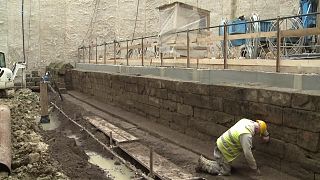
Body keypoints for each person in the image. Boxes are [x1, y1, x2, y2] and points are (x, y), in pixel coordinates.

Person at [196, 118, 270, 176]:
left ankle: (211, 163)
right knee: (225, 171)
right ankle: (203, 164)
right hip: (223, 149)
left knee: (223, 164)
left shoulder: (246, 121)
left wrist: (265, 134)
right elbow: (248, 154)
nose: (256, 135)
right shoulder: (246, 135)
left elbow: (260, 126)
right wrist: (254, 168)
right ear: (257, 130)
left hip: (222, 143)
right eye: (258, 133)